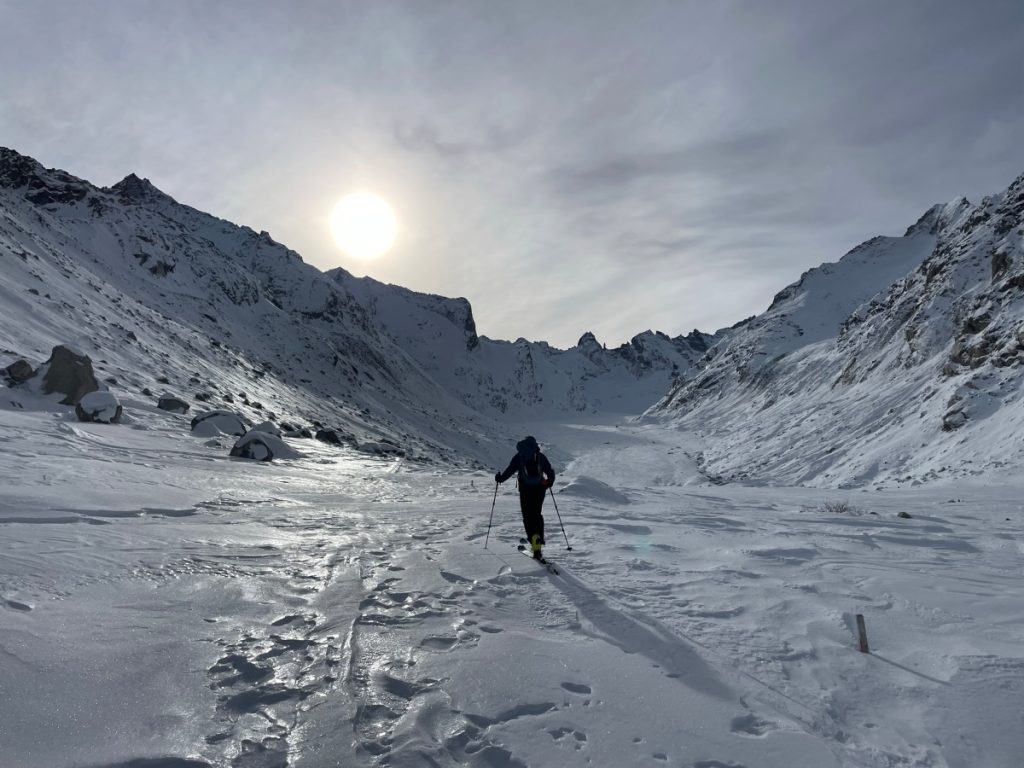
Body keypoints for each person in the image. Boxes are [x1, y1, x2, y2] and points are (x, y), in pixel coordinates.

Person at [495, 436, 556, 559]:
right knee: (537, 513)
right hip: (539, 489)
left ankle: (534, 543)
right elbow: (550, 471)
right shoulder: (540, 456)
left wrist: (500, 478)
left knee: (527, 516)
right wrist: (549, 482)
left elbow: (510, 470)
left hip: (525, 490)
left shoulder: (520, 456)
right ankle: (539, 539)